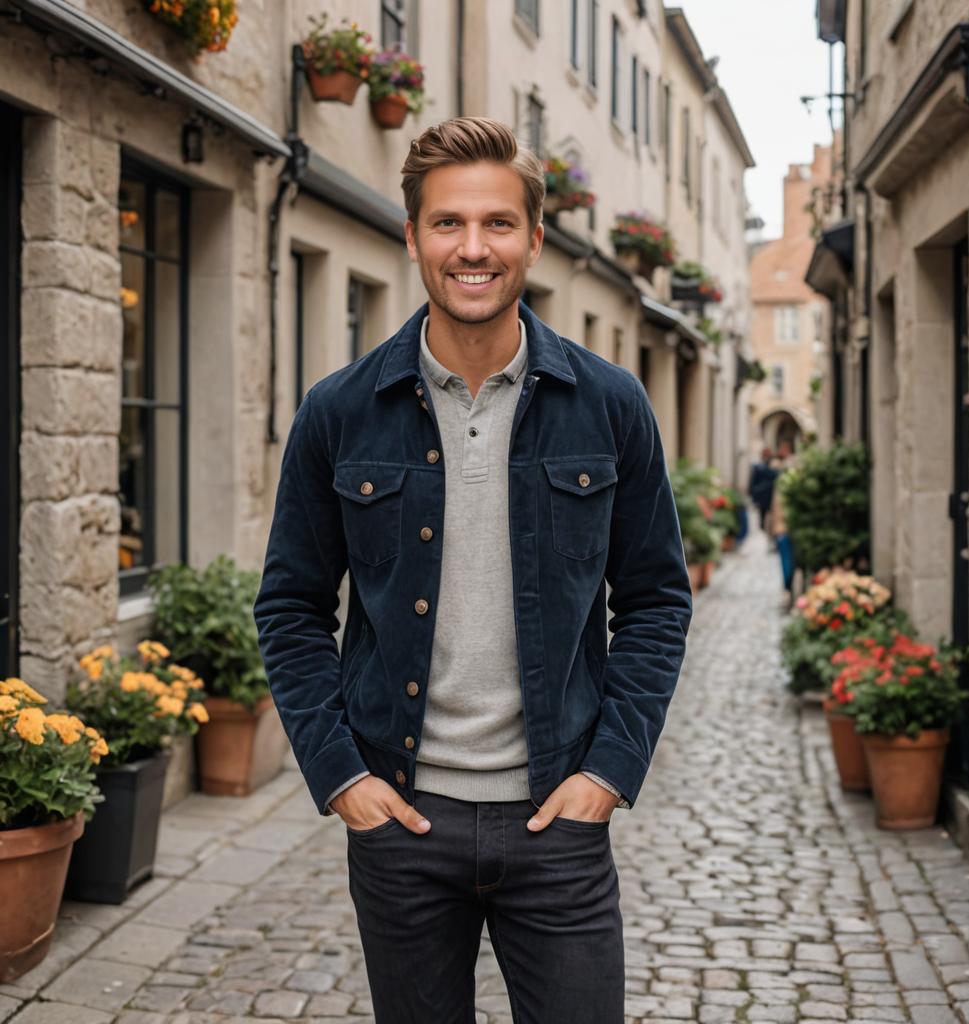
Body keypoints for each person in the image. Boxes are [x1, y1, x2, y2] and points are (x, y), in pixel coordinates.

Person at [252, 116, 693, 1023]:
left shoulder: (610, 405)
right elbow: (292, 607)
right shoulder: (340, 412)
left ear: (536, 237)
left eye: (497, 223)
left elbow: (654, 600)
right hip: (401, 824)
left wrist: (607, 771)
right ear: (411, 236)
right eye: (448, 223)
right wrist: (343, 778)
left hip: (558, 822)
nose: (473, 248)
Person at [770, 440, 796, 598]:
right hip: (782, 528)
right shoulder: (779, 473)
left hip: (789, 526)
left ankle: (789, 586)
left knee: (788, 560)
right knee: (786, 560)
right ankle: (788, 586)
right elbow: (776, 506)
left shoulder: (788, 473)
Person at [747, 445, 776, 533]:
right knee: (762, 515)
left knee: (770, 515)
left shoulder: (772, 465)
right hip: (762, 494)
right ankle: (764, 529)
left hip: (769, 494)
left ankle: (768, 529)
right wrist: (752, 492)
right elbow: (753, 480)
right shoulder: (758, 466)